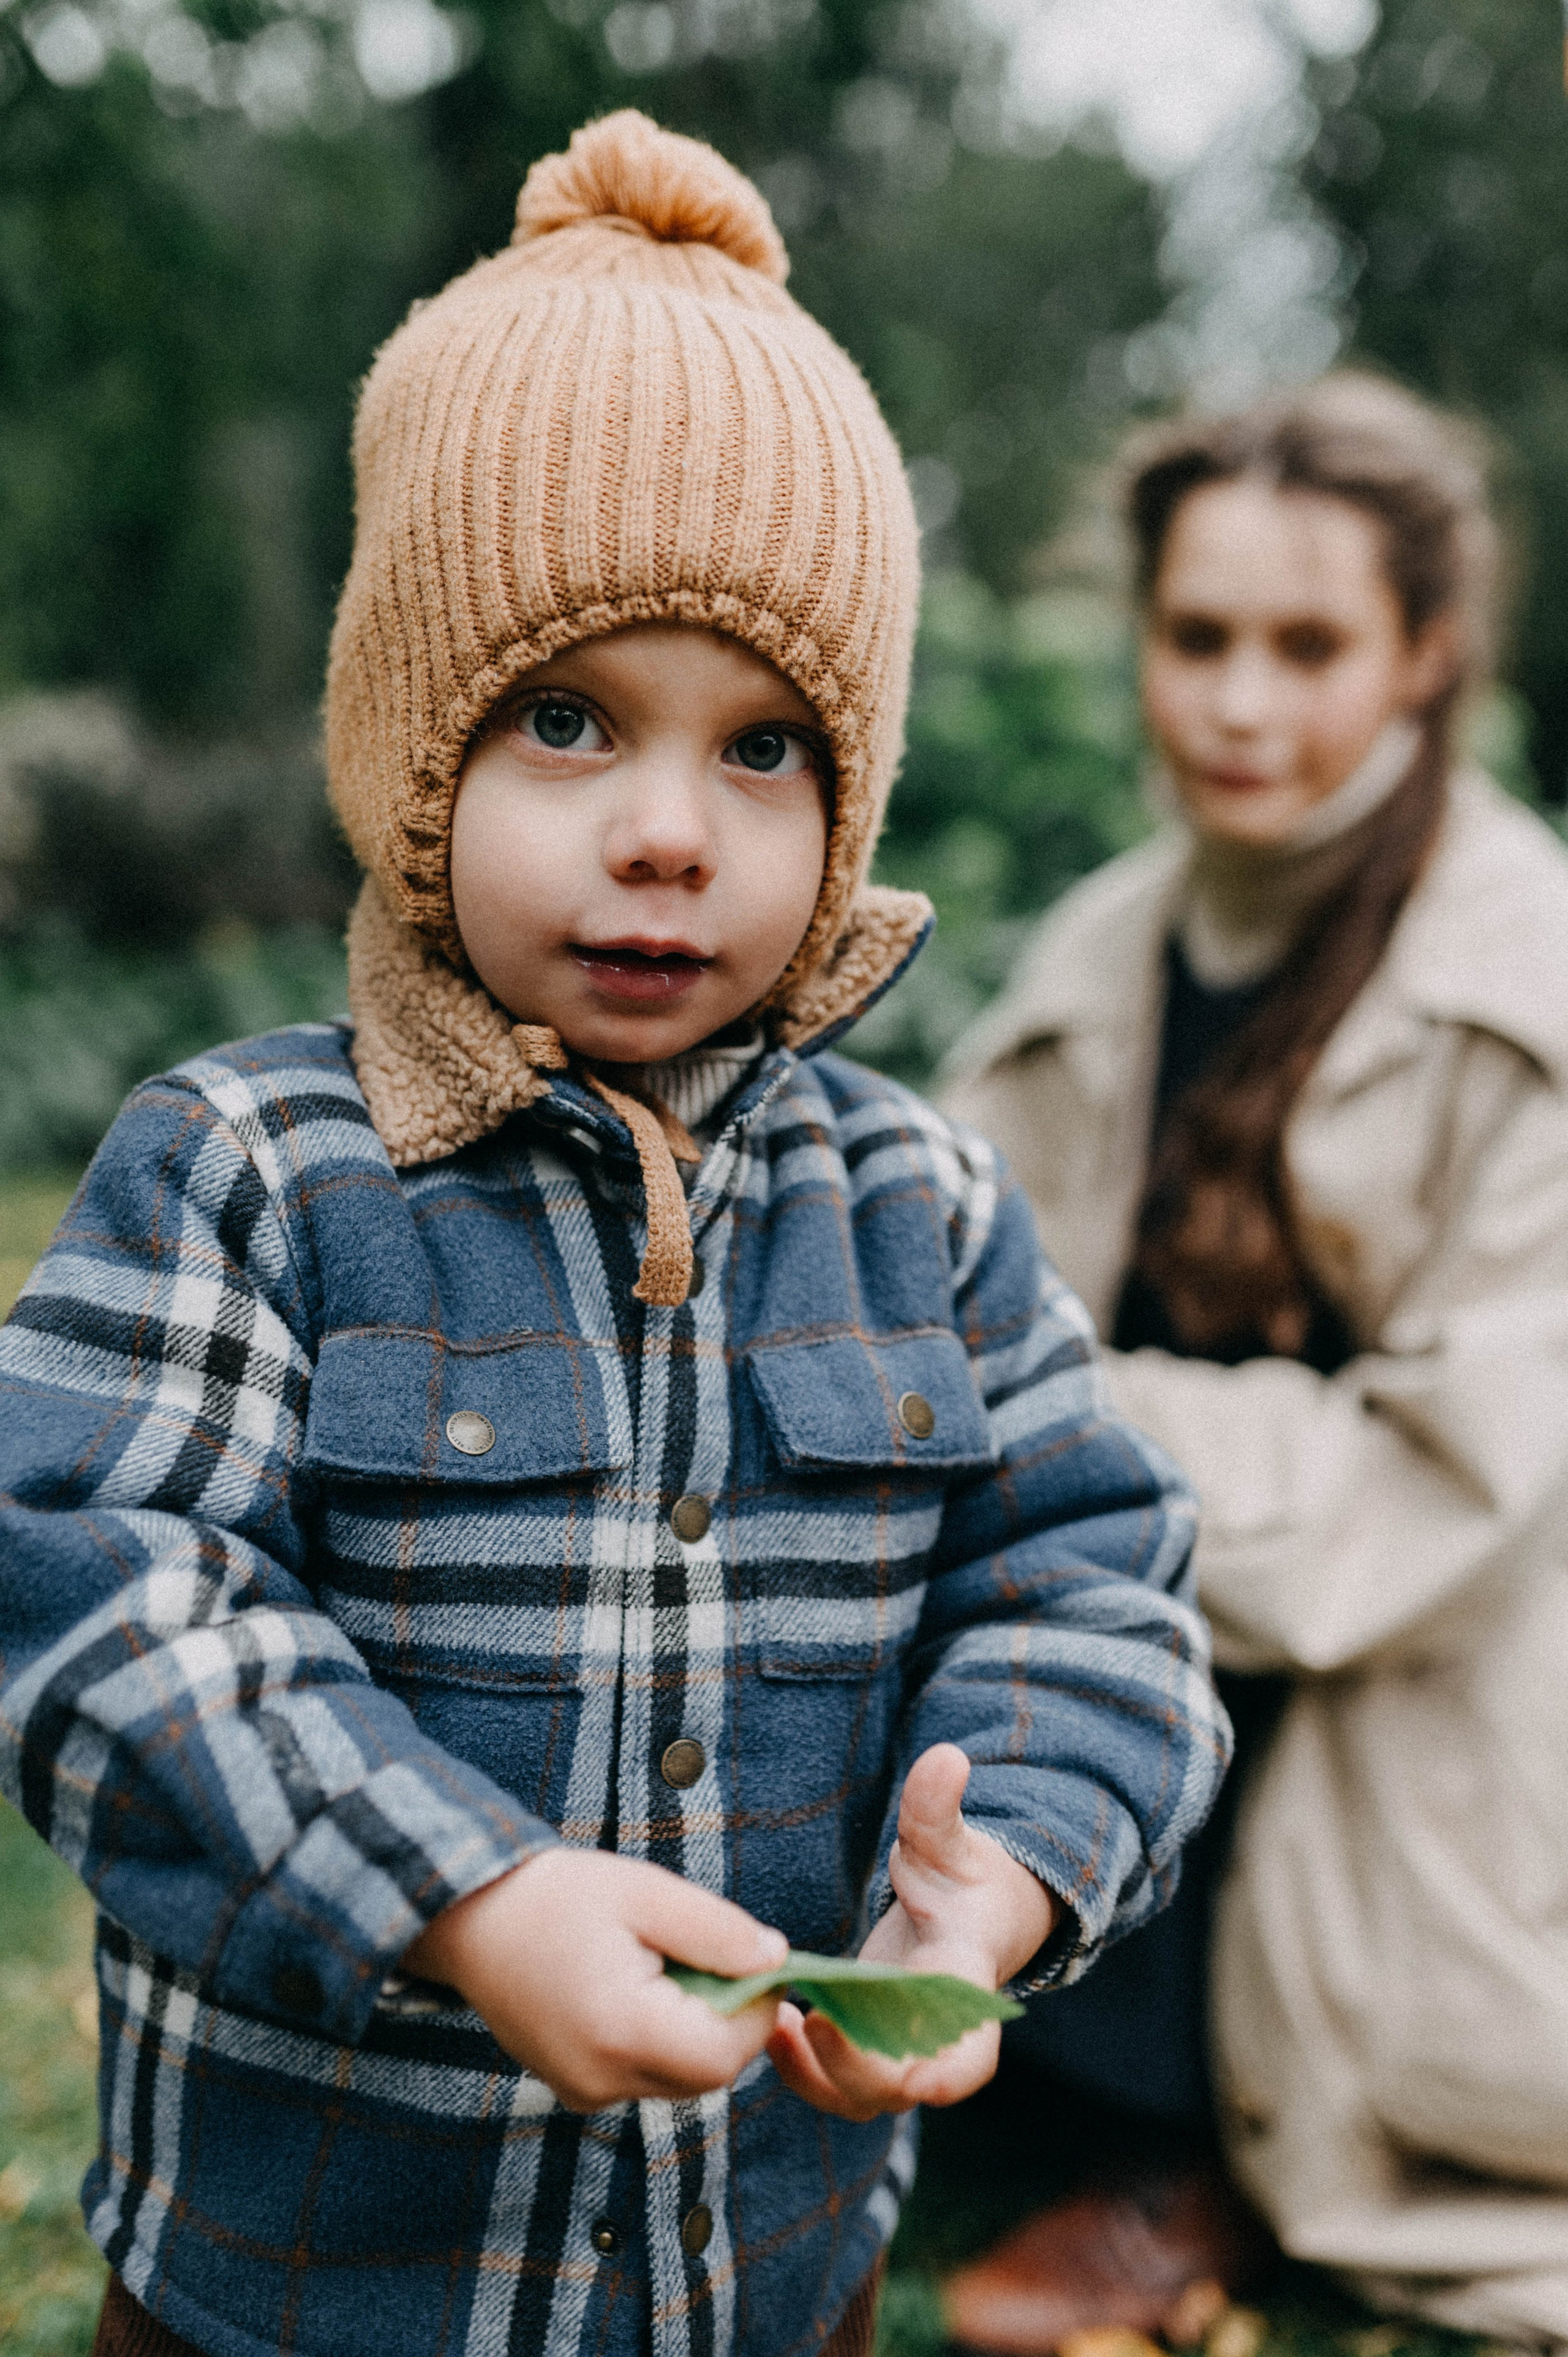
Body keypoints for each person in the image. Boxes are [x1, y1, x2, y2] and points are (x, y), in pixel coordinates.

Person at [0, 113, 1230, 2357]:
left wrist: (1010, 1869)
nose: (671, 832)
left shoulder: (922, 1204)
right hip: (310, 2291)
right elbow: (97, 1596)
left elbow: (1095, 1577)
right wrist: (453, 1889)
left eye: (767, 751)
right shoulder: (250, 1171)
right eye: (569, 722)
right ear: (411, 749)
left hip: (768, 2271)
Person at [941, 372, 1568, 2351]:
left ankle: (1185, 2160)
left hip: (1440, 1673)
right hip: (1125, 1616)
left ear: (1425, 656)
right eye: (1197, 636)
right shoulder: (1093, 959)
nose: (1239, 702)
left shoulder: (1526, 980)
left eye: (1308, 647)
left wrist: (1060, 1423)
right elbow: (940, 1305)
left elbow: (1435, 1494)